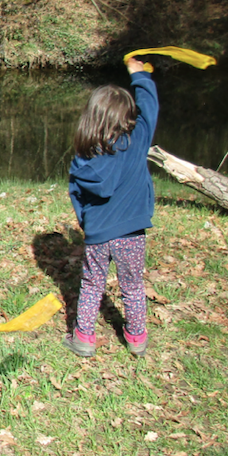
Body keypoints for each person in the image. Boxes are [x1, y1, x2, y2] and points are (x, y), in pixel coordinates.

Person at [64, 56, 158, 358]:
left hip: (98, 234)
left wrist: (85, 223)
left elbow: (76, 194)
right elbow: (151, 107)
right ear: (128, 115)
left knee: (92, 284)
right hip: (132, 231)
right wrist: (139, 75)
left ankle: (84, 338)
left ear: (91, 117)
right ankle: (136, 338)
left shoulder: (82, 157)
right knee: (133, 285)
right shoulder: (138, 139)